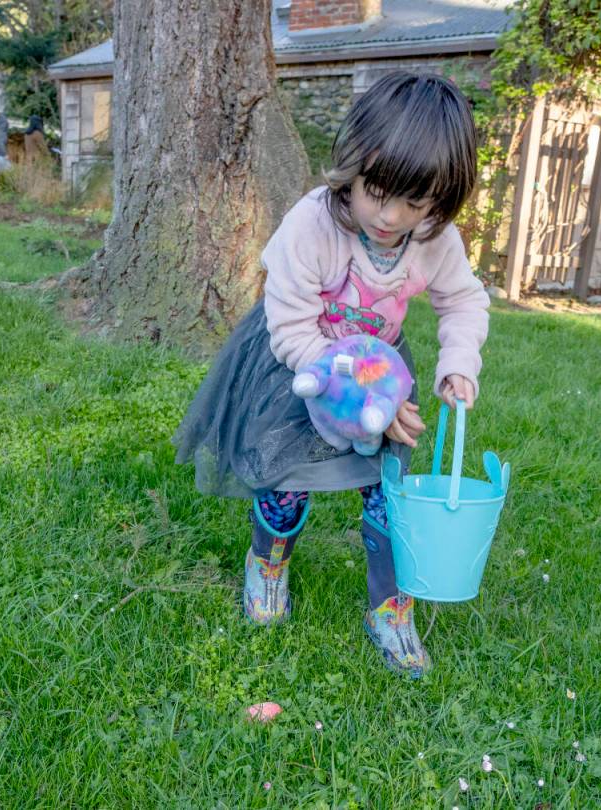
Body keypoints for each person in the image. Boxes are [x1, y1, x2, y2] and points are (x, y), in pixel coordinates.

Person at [172, 73, 490, 678]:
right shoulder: (311, 224)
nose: (391, 217)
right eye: (376, 192)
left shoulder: (436, 240)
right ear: (354, 165)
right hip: (302, 369)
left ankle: (390, 608)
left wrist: (458, 364)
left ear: (441, 201)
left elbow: (464, 302)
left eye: (415, 205)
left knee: (389, 495)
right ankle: (267, 566)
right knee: (286, 481)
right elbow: (291, 329)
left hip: (384, 378)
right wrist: (364, 392)